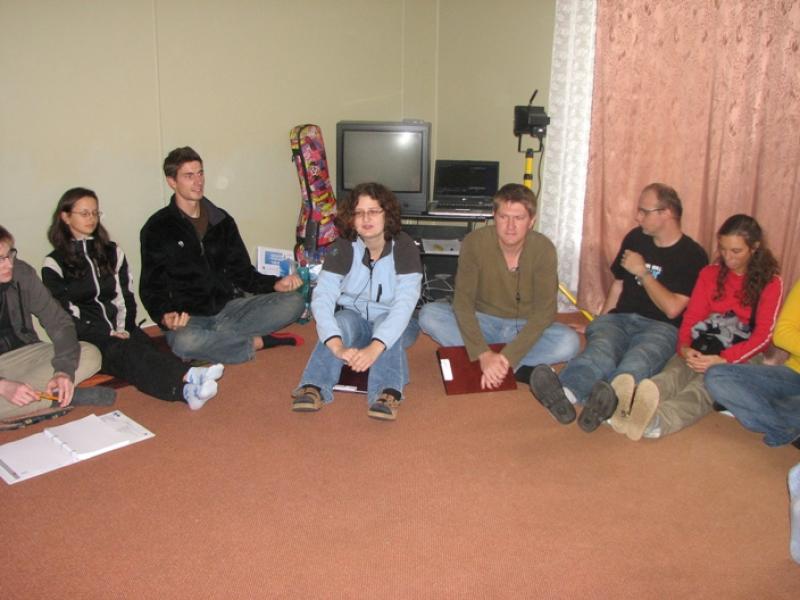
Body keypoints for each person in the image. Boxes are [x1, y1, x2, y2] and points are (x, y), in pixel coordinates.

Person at [529, 183, 708, 431]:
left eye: (644, 211)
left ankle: (606, 403)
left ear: (666, 213)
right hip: (620, 318)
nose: (638, 217)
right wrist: (599, 321)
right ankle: (566, 394)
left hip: (661, 327)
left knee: (638, 360)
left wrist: (643, 273)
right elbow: (618, 285)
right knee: (600, 351)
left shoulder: (693, 255)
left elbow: (673, 309)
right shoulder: (636, 238)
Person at [43, 188, 225, 410]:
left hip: (122, 328)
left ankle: (189, 392)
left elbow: (125, 297)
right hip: (89, 337)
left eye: (95, 213)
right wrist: (107, 334)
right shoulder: (54, 264)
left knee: (148, 351)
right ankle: (190, 377)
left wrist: (124, 328)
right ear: (65, 216)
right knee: (129, 354)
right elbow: (65, 315)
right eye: (84, 213)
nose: (91, 218)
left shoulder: (112, 252)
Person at [611, 214, 782, 441]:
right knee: (675, 372)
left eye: (736, 251)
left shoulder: (771, 282)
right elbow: (692, 317)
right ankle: (630, 404)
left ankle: (657, 421)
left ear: (755, 247)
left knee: (704, 386)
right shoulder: (710, 273)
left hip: (743, 352)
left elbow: (763, 337)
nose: (728, 257)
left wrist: (724, 359)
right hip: (706, 338)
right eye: (723, 249)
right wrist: (684, 347)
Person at [140, 146, 306, 364]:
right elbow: (151, 287)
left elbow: (243, 273)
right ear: (172, 182)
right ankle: (257, 342)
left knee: (295, 302)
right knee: (184, 342)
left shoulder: (221, 221)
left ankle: (217, 343)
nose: (198, 182)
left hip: (229, 308)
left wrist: (275, 284)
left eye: (200, 173)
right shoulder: (157, 228)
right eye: (189, 176)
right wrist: (165, 315)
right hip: (189, 317)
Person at [418, 183, 580, 392]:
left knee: (569, 342)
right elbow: (463, 303)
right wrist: (483, 353)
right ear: (494, 216)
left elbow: (545, 312)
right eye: (504, 217)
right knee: (429, 315)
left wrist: (508, 356)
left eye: (518, 218)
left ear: (531, 221)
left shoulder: (544, 249)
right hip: (483, 321)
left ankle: (494, 363)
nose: (510, 226)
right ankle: (518, 370)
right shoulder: (474, 242)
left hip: (524, 326)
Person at [292, 182, 422, 421]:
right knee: (341, 320)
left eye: (373, 211)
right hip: (356, 321)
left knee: (386, 323)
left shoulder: (404, 247)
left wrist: (375, 347)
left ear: (387, 214)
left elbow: (404, 306)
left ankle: (386, 393)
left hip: (398, 324)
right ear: (351, 218)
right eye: (359, 212)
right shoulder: (343, 247)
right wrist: (336, 345)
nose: (366, 218)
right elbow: (323, 297)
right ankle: (314, 386)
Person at [0, 225, 109, 419]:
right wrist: (3, 386)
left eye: (10, 255)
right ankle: (54, 397)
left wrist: (63, 371)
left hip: (25, 355)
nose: (9, 264)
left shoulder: (21, 273)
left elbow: (59, 321)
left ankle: (43, 395)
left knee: (89, 353)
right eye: (0, 259)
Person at [704, 279, 800, 447]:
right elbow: (782, 333)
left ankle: (753, 407)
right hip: (793, 374)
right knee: (717, 375)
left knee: (747, 398)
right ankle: (781, 424)